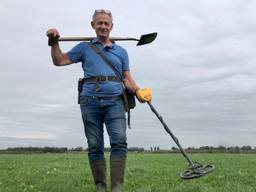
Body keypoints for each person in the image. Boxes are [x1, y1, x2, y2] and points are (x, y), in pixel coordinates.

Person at [46, 9, 152, 192]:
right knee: (95, 146)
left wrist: (138, 91)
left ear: (112, 26)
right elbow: (60, 61)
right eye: (99, 23)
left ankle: (117, 187)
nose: (103, 26)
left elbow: (126, 77)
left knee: (119, 142)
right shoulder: (84, 48)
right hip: (90, 101)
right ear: (93, 25)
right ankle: (101, 188)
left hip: (116, 102)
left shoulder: (121, 52)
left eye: (106, 23)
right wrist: (54, 43)